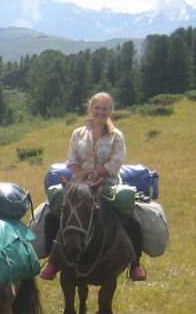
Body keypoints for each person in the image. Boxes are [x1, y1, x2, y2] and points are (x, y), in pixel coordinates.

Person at [38, 92, 146, 282]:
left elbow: (115, 163)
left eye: (105, 108)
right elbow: (72, 159)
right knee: (51, 214)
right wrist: (81, 173)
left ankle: (135, 263)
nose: (100, 112)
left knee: (132, 219)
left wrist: (95, 173)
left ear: (110, 110)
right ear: (91, 109)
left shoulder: (116, 136)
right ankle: (53, 260)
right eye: (97, 108)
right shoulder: (78, 133)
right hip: (79, 183)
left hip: (106, 183)